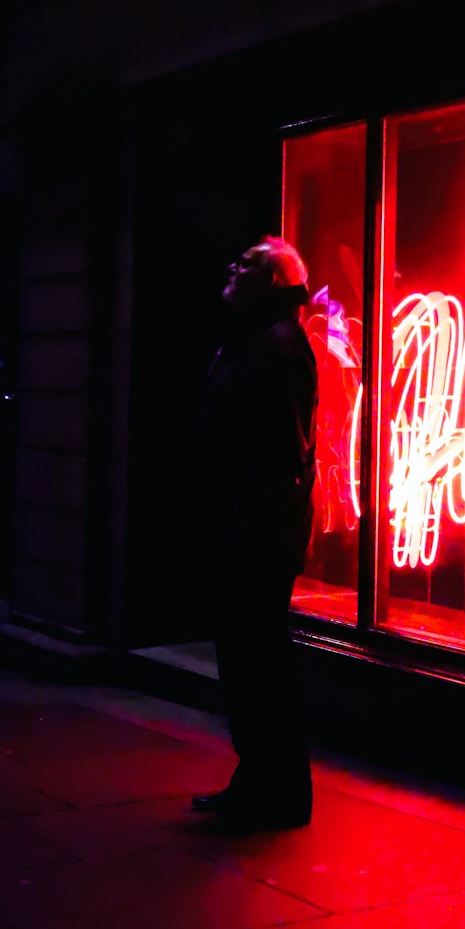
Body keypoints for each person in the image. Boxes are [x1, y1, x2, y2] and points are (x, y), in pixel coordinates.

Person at [189, 235, 319, 827]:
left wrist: (246, 519)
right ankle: (262, 782)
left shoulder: (278, 342)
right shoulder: (258, 337)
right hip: (244, 524)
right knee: (249, 658)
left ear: (269, 283)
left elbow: (280, 450)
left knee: (256, 659)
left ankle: (276, 790)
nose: (231, 269)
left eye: (244, 264)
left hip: (255, 530)